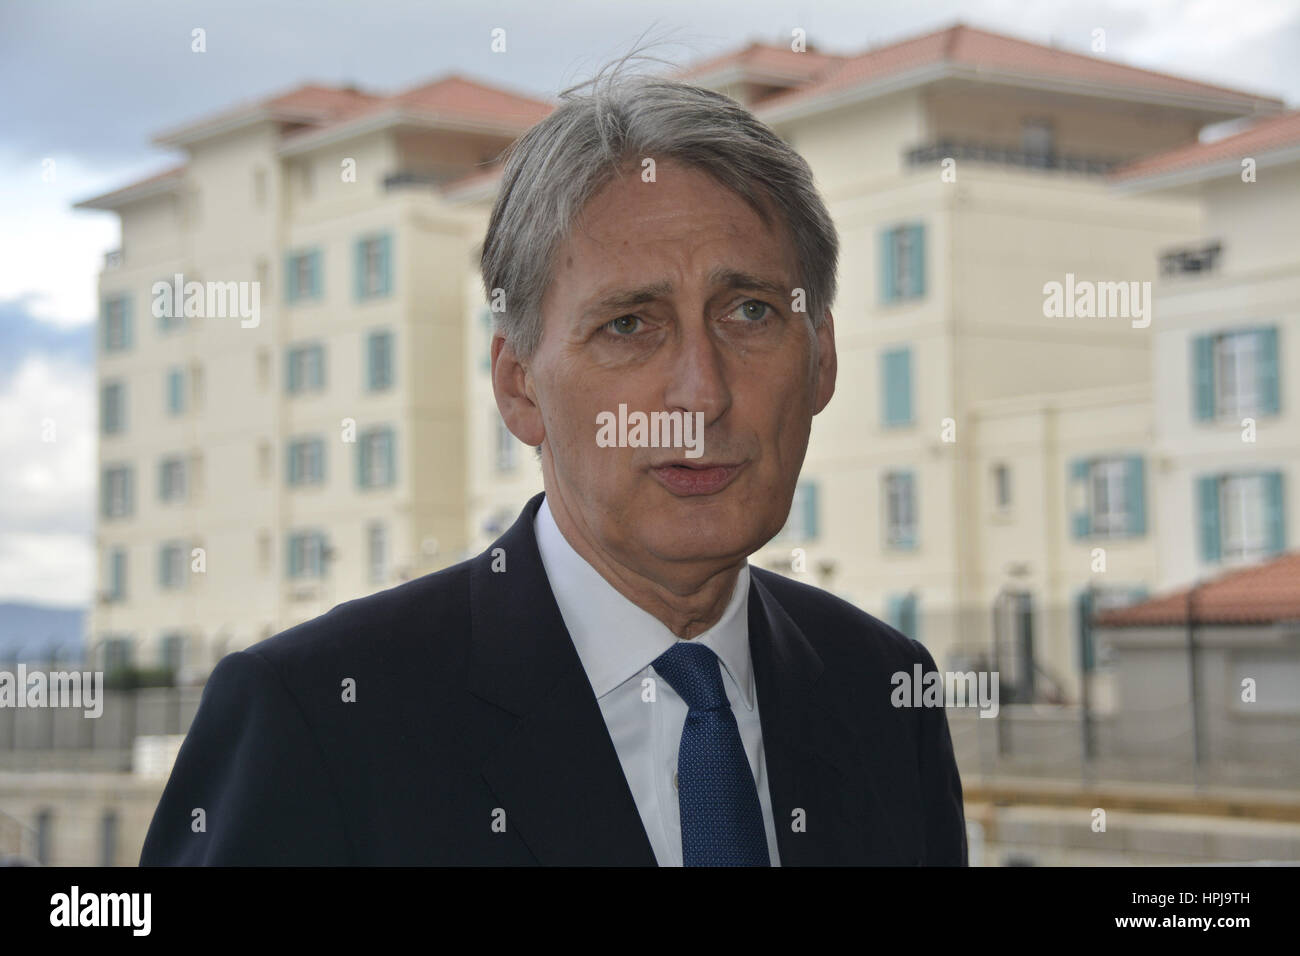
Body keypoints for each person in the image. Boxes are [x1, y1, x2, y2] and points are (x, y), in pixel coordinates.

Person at [139, 65, 967, 867]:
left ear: (821, 359)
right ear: (519, 387)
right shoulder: (316, 720)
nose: (701, 393)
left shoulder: (885, 694)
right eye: (630, 326)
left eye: (750, 312)